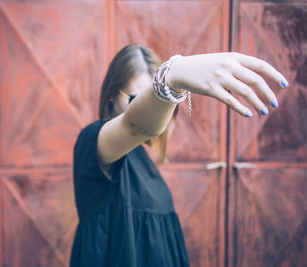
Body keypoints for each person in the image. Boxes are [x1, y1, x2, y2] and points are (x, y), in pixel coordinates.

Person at [69, 44, 288, 267]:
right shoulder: (92, 145)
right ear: (111, 98)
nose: (151, 106)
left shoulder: (143, 160)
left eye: (159, 98)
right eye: (136, 99)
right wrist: (171, 76)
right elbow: (136, 126)